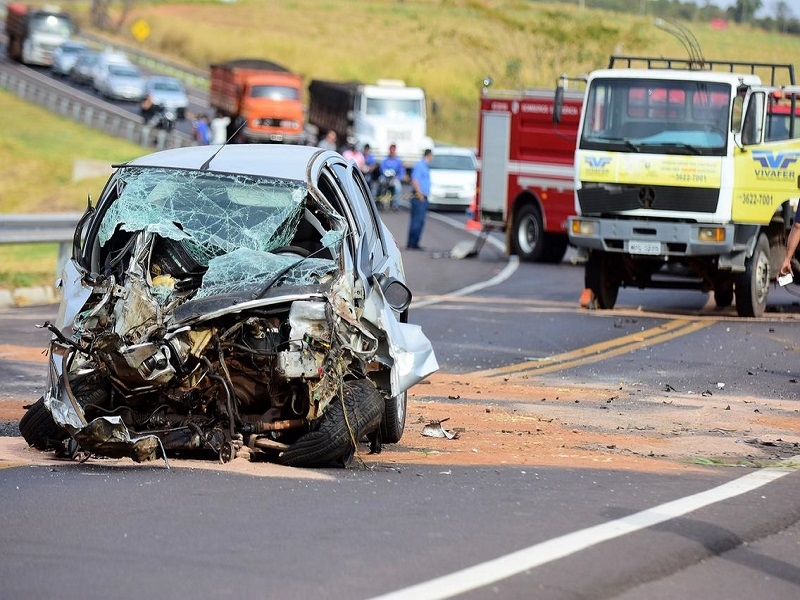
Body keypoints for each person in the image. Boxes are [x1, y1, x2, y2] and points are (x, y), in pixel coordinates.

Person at [407, 148, 433, 250]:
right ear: (429, 155)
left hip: (423, 196)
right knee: (417, 221)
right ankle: (412, 243)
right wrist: (419, 194)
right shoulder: (420, 165)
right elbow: (415, 180)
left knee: (420, 221)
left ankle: (415, 242)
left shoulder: (425, 166)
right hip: (419, 197)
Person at [379, 143, 406, 210]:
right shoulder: (385, 160)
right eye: (391, 150)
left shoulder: (398, 161)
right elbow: (381, 168)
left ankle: (396, 204)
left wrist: (399, 177)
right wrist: (384, 172)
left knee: (398, 187)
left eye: (393, 151)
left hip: (394, 178)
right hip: (385, 177)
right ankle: (378, 200)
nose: (392, 152)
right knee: (380, 182)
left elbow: (401, 170)